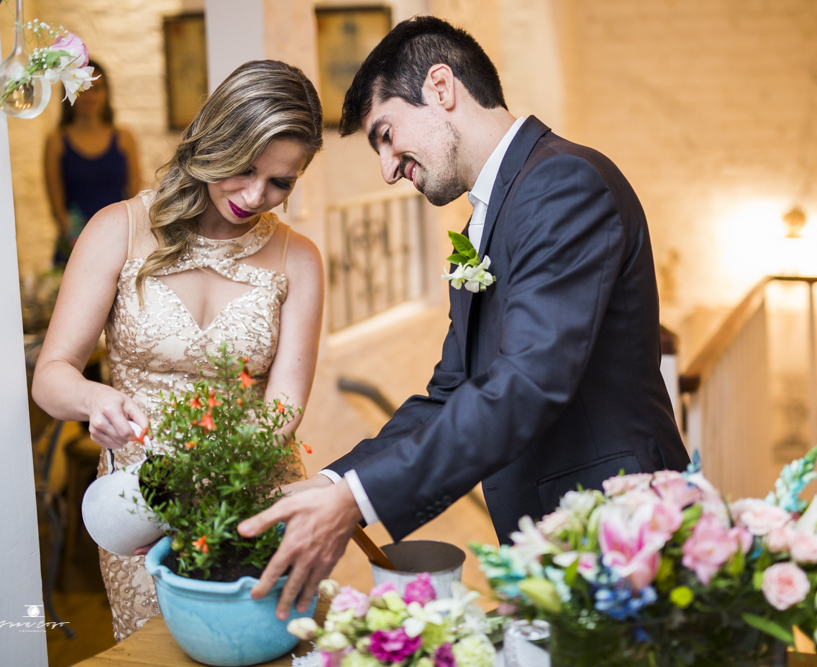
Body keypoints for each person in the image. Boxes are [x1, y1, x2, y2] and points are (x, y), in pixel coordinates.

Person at [239, 16, 690, 620]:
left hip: (621, 527)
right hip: (556, 534)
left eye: (386, 134)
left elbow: (527, 384)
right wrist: (331, 484)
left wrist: (357, 502)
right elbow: (450, 394)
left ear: (441, 87)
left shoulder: (562, 184)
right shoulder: (494, 214)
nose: (387, 168)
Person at [32, 59, 325, 641]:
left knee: (257, 647)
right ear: (214, 142)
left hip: (249, 495)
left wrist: (219, 487)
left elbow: (285, 405)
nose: (255, 195)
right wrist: (94, 399)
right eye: (244, 168)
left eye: (280, 183)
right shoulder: (117, 229)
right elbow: (51, 375)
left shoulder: (300, 258)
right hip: (141, 501)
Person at [44, 60, 141, 267]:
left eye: (96, 88)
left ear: (106, 93)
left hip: (120, 242)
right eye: (82, 88)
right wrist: (81, 243)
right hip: (74, 245)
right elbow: (57, 207)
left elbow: (135, 197)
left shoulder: (125, 138)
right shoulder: (56, 141)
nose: (90, 95)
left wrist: (125, 240)